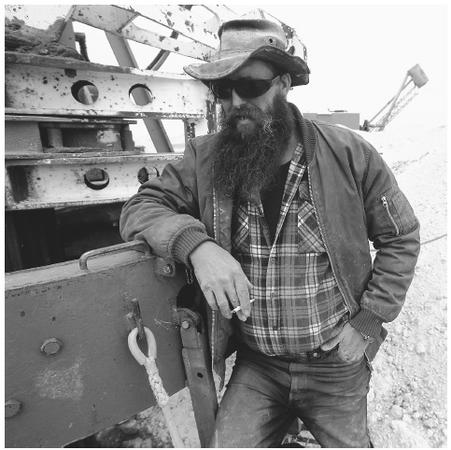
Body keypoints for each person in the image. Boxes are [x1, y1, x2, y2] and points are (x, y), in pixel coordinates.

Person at [120, 19, 420, 448]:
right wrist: (198, 247)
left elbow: (401, 237)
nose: (236, 101)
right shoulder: (205, 159)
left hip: (334, 364)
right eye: (223, 90)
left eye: (251, 85)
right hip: (258, 365)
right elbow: (142, 207)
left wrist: (369, 319)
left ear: (283, 83)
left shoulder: (350, 154)